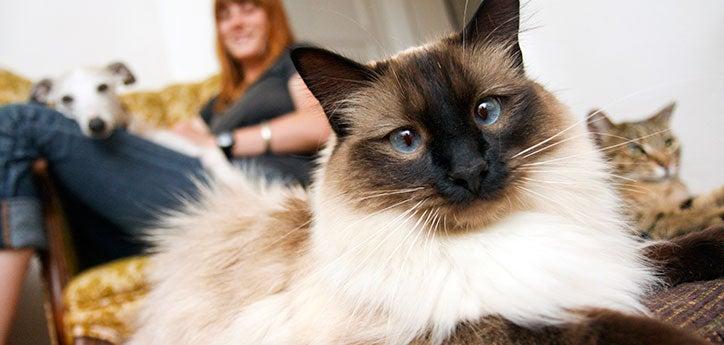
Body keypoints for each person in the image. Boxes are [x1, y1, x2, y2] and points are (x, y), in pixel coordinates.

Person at [0, 0, 329, 342]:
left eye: (248, 9)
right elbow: (176, 142)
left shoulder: (292, 63)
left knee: (18, 122)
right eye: (225, 15)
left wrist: (225, 141)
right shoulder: (218, 102)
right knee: (45, 153)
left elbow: (321, 123)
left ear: (272, 15)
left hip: (254, 191)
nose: (236, 23)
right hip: (194, 190)